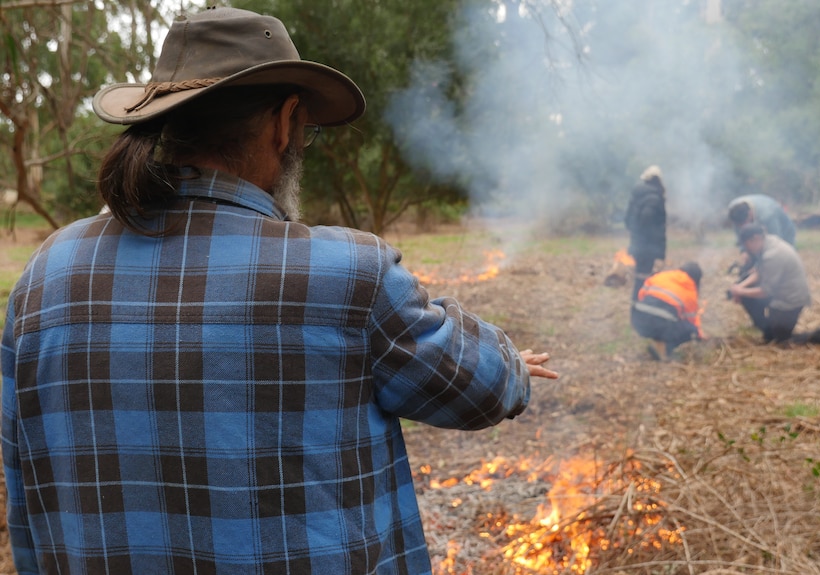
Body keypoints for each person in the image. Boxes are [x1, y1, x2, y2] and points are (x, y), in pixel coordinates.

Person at [0, 8, 558, 575]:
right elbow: (479, 390)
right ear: (284, 121)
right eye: (307, 129)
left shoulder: (46, 274)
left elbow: (25, 490)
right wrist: (509, 360)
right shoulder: (349, 274)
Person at [727, 223, 820, 348]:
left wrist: (740, 291)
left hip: (789, 302)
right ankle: (768, 331)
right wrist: (740, 286)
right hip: (781, 296)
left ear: (755, 238)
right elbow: (759, 271)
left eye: (746, 245)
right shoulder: (769, 242)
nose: (746, 249)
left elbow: (765, 291)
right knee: (769, 333)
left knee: (781, 341)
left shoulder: (773, 254)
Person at [631, 262, 704, 361]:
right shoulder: (691, 291)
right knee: (690, 329)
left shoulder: (662, 275)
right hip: (660, 324)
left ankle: (658, 344)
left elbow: (641, 294)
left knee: (663, 318)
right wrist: (699, 335)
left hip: (638, 317)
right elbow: (690, 319)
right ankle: (663, 350)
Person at [727, 194, 796, 276]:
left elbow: (774, 243)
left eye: (744, 224)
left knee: (780, 260)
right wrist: (744, 250)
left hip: (785, 232)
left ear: (750, 213)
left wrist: (760, 267)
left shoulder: (767, 215)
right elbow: (740, 232)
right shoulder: (734, 209)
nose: (742, 227)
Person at [624, 165, 667, 300]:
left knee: (640, 275)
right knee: (645, 277)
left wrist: (636, 235)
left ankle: (637, 306)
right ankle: (641, 307)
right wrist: (650, 240)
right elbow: (647, 218)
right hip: (648, 245)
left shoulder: (637, 195)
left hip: (637, 242)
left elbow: (627, 220)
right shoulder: (654, 197)